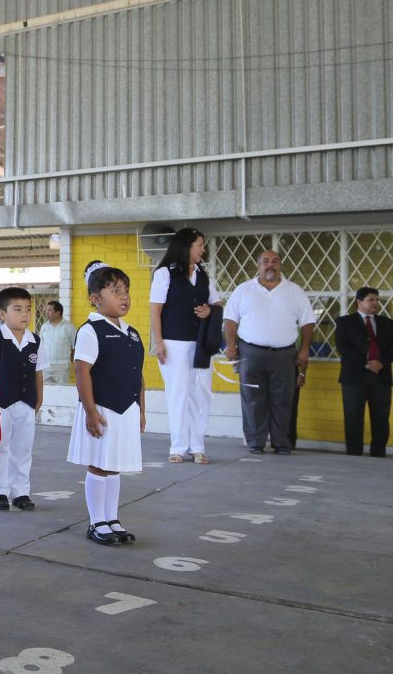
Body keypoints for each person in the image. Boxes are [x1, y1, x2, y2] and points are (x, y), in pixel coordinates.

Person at [68, 261, 145, 545]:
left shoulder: (133, 333)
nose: (123, 296)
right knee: (100, 465)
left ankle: (112, 518)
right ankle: (96, 521)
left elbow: (138, 375)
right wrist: (90, 411)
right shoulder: (91, 330)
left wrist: (141, 410)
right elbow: (81, 371)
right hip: (102, 409)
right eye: (115, 291)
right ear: (96, 298)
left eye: (125, 290)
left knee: (115, 465)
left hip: (127, 410)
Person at [223, 251, 315, 455]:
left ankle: (282, 443)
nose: (270, 265)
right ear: (258, 266)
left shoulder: (295, 291)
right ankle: (255, 442)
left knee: (283, 400)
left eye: (275, 261)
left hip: (285, 354)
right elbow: (230, 320)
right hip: (250, 353)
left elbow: (307, 322)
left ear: (280, 265)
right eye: (265, 261)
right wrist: (231, 346)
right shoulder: (243, 289)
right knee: (253, 400)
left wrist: (305, 348)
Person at [149, 228, 222, 464]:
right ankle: (178, 447)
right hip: (173, 343)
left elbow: (217, 302)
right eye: (199, 244)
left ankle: (198, 446)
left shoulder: (203, 275)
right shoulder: (164, 274)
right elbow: (155, 310)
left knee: (201, 393)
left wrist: (210, 310)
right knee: (178, 393)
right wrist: (159, 343)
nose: (203, 249)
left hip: (199, 344)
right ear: (186, 246)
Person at [0, 287, 48, 511]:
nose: (25, 314)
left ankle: (21, 491)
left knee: (23, 448)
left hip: (26, 403)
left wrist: (38, 400)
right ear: (3, 314)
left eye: (28, 309)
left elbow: (38, 372)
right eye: (18, 309)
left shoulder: (35, 341)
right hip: (0, 404)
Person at [335, 287, 392, 458]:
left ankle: (378, 452)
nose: (375, 303)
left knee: (381, 417)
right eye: (370, 300)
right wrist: (365, 364)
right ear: (359, 302)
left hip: (380, 377)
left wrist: (381, 363)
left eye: (376, 300)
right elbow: (343, 347)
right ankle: (354, 453)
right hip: (354, 377)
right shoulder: (345, 322)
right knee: (353, 416)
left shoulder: (387, 323)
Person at [39, 300, 75, 384]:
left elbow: (75, 347)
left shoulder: (69, 327)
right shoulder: (44, 327)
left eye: (49, 310)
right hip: (46, 367)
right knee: (46, 393)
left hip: (62, 367)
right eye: (46, 310)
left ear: (58, 312)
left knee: (61, 393)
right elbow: (40, 346)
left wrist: (71, 363)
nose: (46, 313)